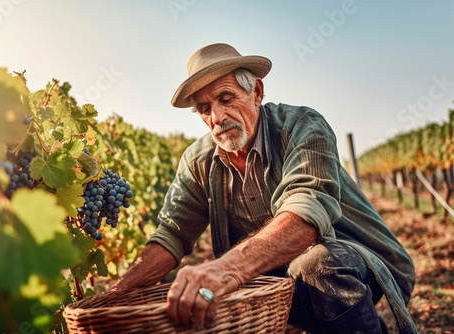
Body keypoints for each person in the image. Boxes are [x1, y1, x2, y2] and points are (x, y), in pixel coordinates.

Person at [111, 43, 417, 333]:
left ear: (256, 92)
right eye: (204, 108)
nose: (217, 117)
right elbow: (171, 235)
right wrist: (117, 292)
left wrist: (225, 270)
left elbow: (304, 217)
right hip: (287, 283)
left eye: (226, 98)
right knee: (200, 293)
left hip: (363, 266)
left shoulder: (301, 126)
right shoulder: (198, 160)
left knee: (317, 264)